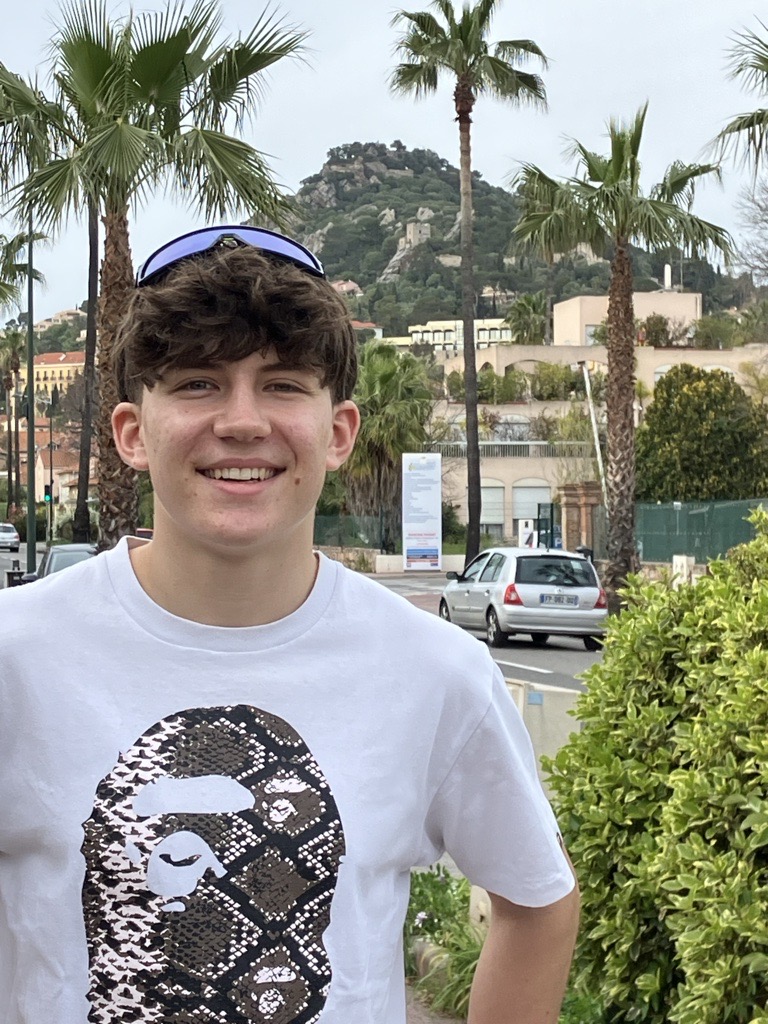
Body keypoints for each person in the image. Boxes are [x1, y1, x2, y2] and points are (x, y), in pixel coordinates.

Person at [0, 225, 579, 1024]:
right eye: (198, 383)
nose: (242, 421)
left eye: (281, 385)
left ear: (338, 433)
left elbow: (538, 900)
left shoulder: (437, 672)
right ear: (132, 433)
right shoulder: (16, 656)